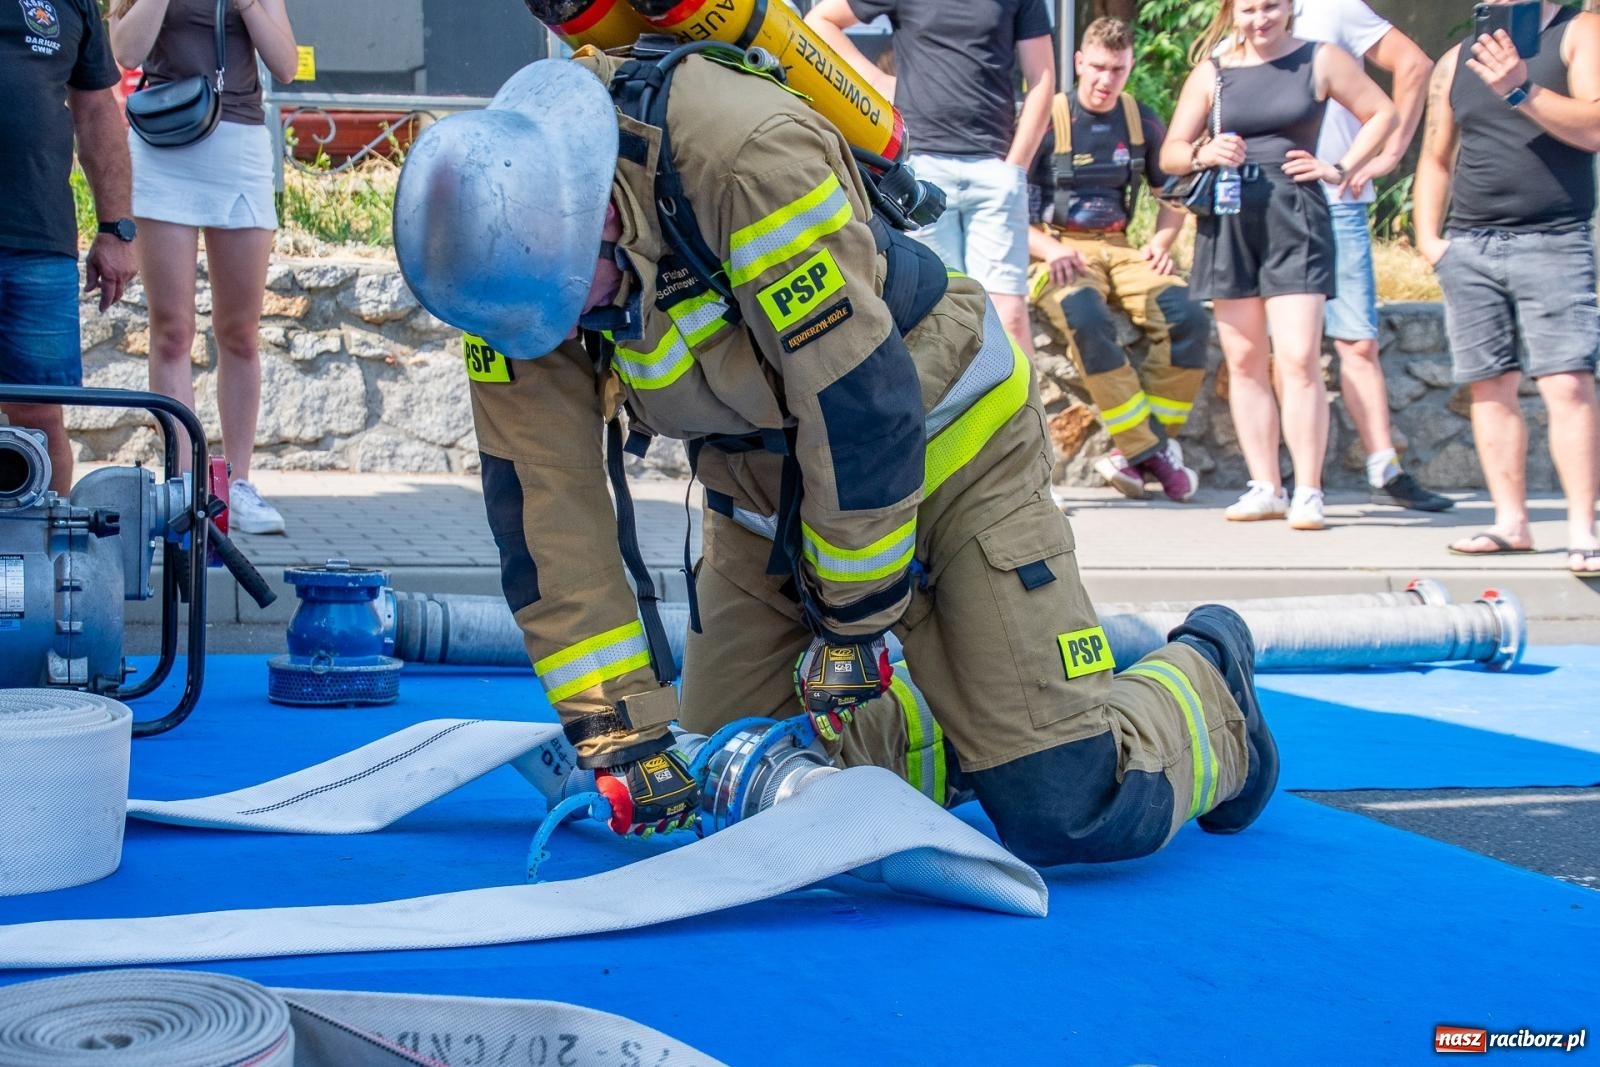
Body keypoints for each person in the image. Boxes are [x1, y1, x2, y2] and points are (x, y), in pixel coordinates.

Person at [393, 50, 1279, 864]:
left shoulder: (745, 158)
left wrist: (853, 625)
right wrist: (617, 732)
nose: (567, 332)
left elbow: (862, 410)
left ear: (597, 215)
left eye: (572, 301)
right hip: (764, 495)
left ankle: (1208, 681)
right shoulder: (520, 281)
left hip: (946, 454)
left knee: (1067, 807)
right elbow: (546, 511)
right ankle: (982, 715)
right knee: (738, 783)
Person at [1160, 0, 1396, 531]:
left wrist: (1339, 168)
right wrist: (1204, 153)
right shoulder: (1214, 72)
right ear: (1230, 12)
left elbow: (1384, 113)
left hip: (1297, 216)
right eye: (1248, 9)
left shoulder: (1321, 58)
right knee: (1243, 361)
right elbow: (1172, 153)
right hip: (1229, 219)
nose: (1259, 18)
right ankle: (1265, 485)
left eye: (1270, 7)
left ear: (1289, 8)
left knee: (1297, 358)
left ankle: (1309, 489)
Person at [1414, 1, 1600, 578]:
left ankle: (1582, 530)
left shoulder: (1580, 32)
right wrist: (1429, 238)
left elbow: (1594, 127)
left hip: (1554, 239)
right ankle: (1510, 523)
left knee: (1567, 382)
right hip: (1469, 245)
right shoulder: (1454, 58)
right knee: (1489, 386)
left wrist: (1522, 89)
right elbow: (1436, 156)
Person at [109, 0, 298, 534]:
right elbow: (126, 51)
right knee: (172, 332)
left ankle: (237, 483)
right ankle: (183, 492)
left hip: (236, 145)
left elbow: (285, 64)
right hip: (162, 146)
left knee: (239, 333)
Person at [804, 0, 1055, 361]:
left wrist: (1015, 167)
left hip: (995, 170)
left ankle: (1024, 419)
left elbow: (1043, 78)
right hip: (922, 170)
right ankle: (949, 419)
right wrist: (876, 82)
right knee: (936, 318)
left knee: (1009, 318)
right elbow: (820, 21)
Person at [1026, 17, 1209, 503]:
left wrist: (1163, 242)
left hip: (1123, 247)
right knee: (1086, 317)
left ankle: (1137, 454)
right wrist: (1050, 249)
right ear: (1079, 63)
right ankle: (1155, 453)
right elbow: (1004, 206)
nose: (1107, 80)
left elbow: (1173, 195)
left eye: (1119, 70)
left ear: (1129, 68)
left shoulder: (1140, 119)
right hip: (1055, 247)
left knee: (1188, 317)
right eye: (1099, 68)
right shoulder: (1046, 117)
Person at [1294, 0, 1453, 513]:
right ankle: (1294, 486)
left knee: (1356, 341)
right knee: (1282, 353)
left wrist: (1388, 151)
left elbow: (1414, 64)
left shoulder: (1332, 9)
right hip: (1270, 203)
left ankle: (1384, 467)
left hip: (1335, 197)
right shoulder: (1239, 16)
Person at [1, 0, 137, 495]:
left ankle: (45, 561)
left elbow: (98, 111)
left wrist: (117, 229)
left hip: (40, 239)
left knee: (39, 419)